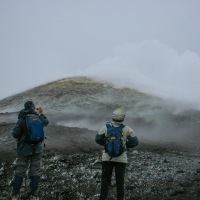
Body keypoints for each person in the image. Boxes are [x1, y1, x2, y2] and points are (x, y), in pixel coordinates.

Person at [95, 107, 139, 200]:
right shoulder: (127, 129)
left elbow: (97, 139)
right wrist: (126, 145)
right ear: (123, 118)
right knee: (120, 182)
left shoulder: (106, 127)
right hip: (121, 159)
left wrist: (106, 145)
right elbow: (135, 142)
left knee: (105, 181)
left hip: (107, 157)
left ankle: (103, 198)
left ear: (113, 117)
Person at [11, 100, 49, 200]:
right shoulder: (38, 116)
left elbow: (15, 133)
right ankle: (34, 195)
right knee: (35, 171)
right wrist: (41, 113)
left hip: (24, 149)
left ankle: (15, 195)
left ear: (24, 107)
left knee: (20, 171)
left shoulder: (22, 117)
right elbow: (46, 122)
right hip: (37, 149)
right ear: (34, 107)